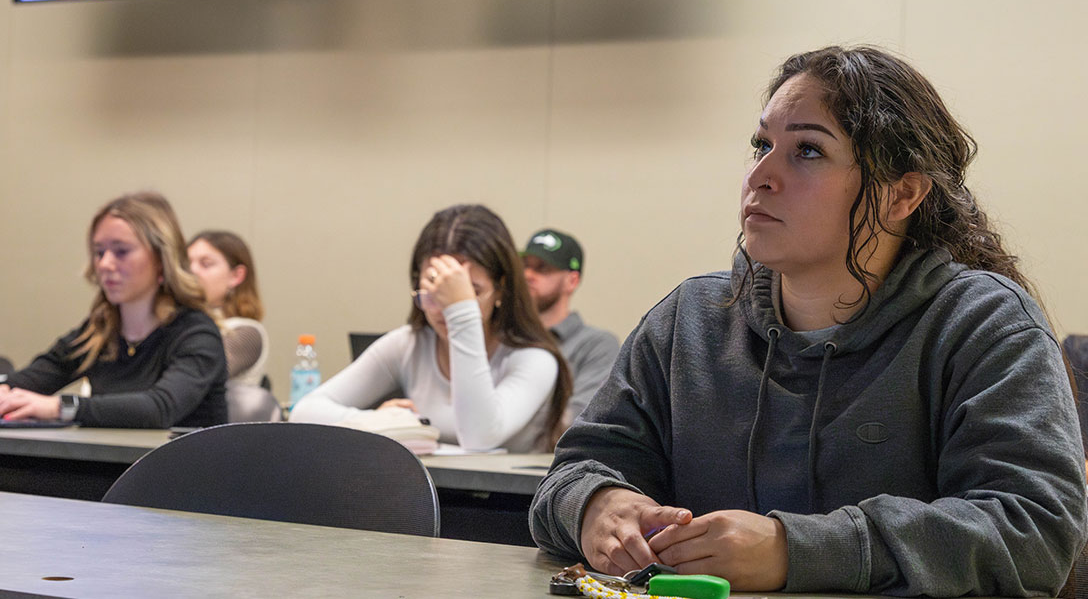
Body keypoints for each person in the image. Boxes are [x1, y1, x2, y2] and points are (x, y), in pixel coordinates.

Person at [529, 46, 1087, 596]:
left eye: (808, 151)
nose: (761, 176)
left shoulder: (984, 326)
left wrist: (792, 550)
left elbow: (1034, 532)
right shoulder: (688, 321)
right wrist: (598, 505)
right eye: (761, 145)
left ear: (903, 194)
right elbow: (572, 473)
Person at [292, 204, 572, 453]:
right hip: (424, 500)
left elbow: (479, 436)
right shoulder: (408, 345)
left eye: (469, 291)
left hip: (507, 507)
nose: (445, 307)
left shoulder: (534, 359)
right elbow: (304, 411)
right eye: (433, 290)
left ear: (501, 289)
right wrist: (375, 422)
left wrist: (463, 314)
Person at [0, 192, 228, 428]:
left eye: (121, 251)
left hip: (181, 464)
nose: (105, 264)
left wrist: (60, 407)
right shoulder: (99, 331)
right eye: (99, 252)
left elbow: (159, 408)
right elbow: (31, 379)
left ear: (161, 259)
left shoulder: (197, 333)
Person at [522, 228, 619, 424]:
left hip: (550, 455)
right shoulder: (504, 336)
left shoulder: (596, 345)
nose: (528, 275)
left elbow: (578, 422)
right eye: (524, 266)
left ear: (572, 280)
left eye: (542, 268)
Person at [188, 230, 269, 390]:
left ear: (236, 276)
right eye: (186, 263)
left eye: (205, 264)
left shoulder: (246, 332)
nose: (192, 271)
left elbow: (196, 376)